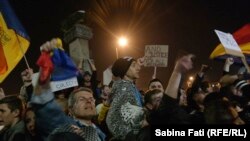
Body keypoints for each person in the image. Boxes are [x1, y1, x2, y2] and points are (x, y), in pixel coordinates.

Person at [106, 56, 144, 140]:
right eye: (134, 65)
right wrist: (129, 136)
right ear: (124, 70)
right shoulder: (124, 88)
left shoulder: (130, 87)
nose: (138, 68)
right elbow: (112, 119)